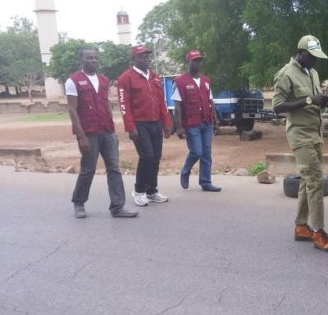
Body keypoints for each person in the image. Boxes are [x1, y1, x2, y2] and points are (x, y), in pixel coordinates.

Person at [272, 35, 328, 252]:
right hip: (300, 135)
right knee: (315, 181)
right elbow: (277, 107)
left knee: (308, 181)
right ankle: (318, 231)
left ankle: (301, 226)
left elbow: (314, 101)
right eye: (312, 56)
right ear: (301, 53)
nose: (315, 60)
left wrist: (323, 102)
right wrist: (309, 100)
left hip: (316, 133)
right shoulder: (286, 74)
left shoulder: (313, 72)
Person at [66, 48, 138, 219]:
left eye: (95, 58)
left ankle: (118, 207)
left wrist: (113, 132)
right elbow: (72, 109)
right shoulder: (73, 81)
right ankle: (79, 202)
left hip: (107, 131)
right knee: (88, 169)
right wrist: (81, 136)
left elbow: (105, 105)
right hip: (89, 133)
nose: (93, 61)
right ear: (82, 61)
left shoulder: (104, 80)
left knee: (114, 168)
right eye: (89, 58)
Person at [117, 45, 173, 207]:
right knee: (147, 156)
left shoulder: (154, 77)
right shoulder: (125, 78)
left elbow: (161, 101)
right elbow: (124, 105)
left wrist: (166, 123)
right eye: (142, 56)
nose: (146, 58)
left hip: (155, 123)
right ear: (134, 59)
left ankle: (152, 191)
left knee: (155, 158)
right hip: (139, 124)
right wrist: (130, 127)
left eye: (148, 56)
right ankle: (139, 191)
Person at [173, 50, 221, 192]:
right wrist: (179, 127)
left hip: (206, 122)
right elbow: (177, 107)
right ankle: (185, 171)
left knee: (207, 153)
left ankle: (205, 182)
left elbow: (211, 102)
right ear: (188, 62)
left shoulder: (206, 81)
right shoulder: (180, 81)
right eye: (195, 60)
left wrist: (216, 121)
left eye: (200, 60)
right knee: (196, 152)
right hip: (191, 124)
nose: (198, 63)